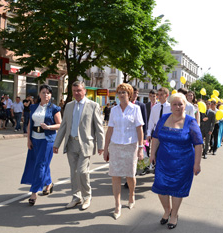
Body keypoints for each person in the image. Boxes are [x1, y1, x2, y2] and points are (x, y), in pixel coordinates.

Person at [150, 93, 203, 229]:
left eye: (181, 104)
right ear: (171, 105)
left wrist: (197, 163)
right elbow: (156, 137)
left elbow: (198, 144)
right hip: (163, 161)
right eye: (175, 104)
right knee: (161, 189)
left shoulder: (191, 122)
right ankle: (167, 210)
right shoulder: (163, 118)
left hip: (183, 163)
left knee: (176, 189)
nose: (178, 107)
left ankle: (174, 215)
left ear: (185, 106)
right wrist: (152, 154)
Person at [53, 81, 104, 210]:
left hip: (86, 144)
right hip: (71, 143)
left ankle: (87, 196)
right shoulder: (69, 106)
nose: (76, 93)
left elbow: (99, 127)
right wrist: (57, 143)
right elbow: (64, 126)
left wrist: (101, 145)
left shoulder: (93, 106)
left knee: (82, 171)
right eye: (74, 91)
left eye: (79, 90)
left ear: (84, 90)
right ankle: (76, 197)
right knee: (74, 172)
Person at [103, 83, 144, 220]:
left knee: (130, 175)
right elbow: (110, 130)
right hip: (115, 145)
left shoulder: (135, 109)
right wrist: (105, 148)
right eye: (119, 92)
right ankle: (117, 205)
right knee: (115, 176)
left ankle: (132, 194)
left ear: (129, 94)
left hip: (130, 146)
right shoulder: (114, 110)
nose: (121, 94)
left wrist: (140, 148)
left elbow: (139, 129)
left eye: (124, 92)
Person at [21, 84, 62, 206]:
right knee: (39, 163)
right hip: (35, 139)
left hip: (47, 140)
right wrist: (28, 139)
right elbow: (29, 124)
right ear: (39, 94)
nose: (46, 95)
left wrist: (49, 127)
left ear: (51, 95)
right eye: (43, 92)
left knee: (40, 165)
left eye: (48, 93)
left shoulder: (54, 108)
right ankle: (48, 183)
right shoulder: (33, 107)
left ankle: (34, 192)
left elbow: (60, 124)